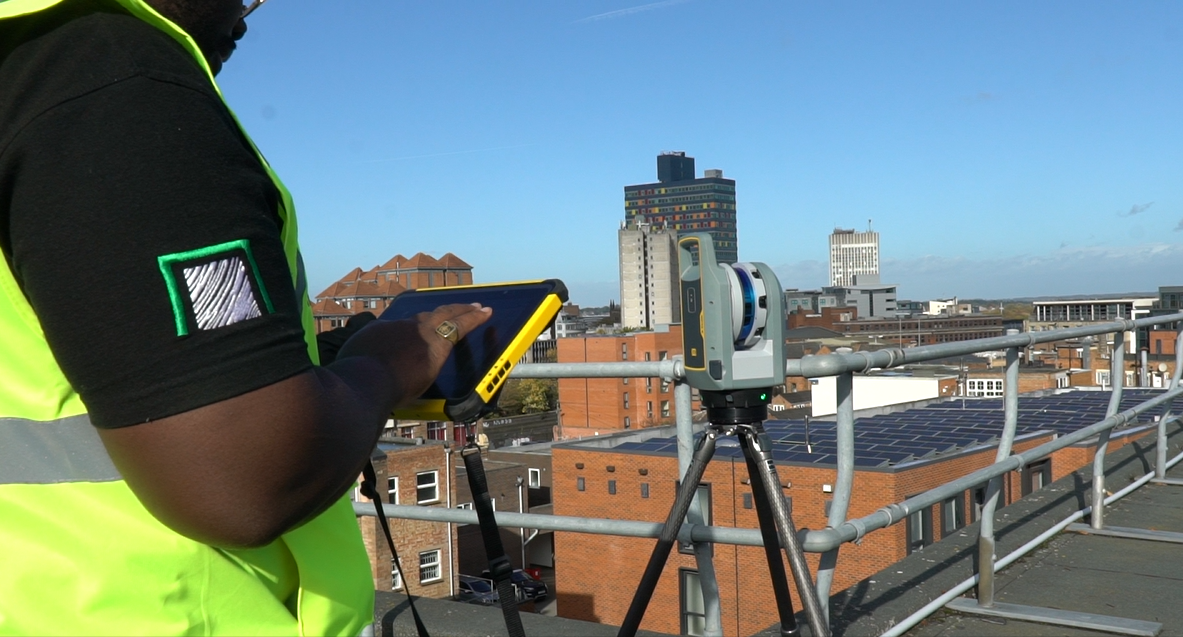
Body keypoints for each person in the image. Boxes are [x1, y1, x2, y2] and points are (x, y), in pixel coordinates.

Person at [0, 0, 490, 634]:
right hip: (165, 611)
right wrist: (392, 364)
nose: (245, 19)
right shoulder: (109, 80)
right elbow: (244, 483)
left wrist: (305, 369)